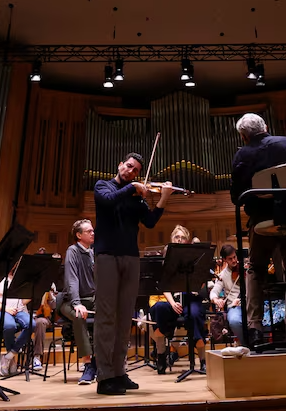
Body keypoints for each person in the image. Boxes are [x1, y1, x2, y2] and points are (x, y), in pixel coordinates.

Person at [230, 113, 286, 345]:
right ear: (266, 127)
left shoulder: (242, 154)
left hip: (262, 222)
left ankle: (255, 328)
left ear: (243, 136)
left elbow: (236, 197)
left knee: (255, 268)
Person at [93, 152, 173, 396]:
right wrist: (133, 188)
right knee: (106, 316)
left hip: (130, 257)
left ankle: (119, 371)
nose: (131, 171)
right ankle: (105, 376)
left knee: (124, 316)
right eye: (129, 166)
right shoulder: (103, 186)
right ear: (120, 165)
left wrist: (163, 199)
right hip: (107, 256)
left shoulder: (136, 198)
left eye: (136, 170)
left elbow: (149, 222)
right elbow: (108, 202)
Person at [148, 226, 207, 374]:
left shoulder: (194, 259)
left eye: (182, 238)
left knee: (195, 315)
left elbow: (201, 282)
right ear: (172, 239)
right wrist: (173, 303)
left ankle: (202, 360)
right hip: (174, 301)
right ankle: (161, 355)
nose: (179, 240)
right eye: (177, 237)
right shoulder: (168, 260)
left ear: (187, 241)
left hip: (190, 299)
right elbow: (164, 286)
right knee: (158, 308)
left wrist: (195, 285)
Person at [0, 261, 47, 378]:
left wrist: (35, 291)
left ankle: (9, 356)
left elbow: (22, 301)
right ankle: (11, 360)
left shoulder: (18, 278)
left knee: (31, 324)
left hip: (18, 311)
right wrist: (6, 309)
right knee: (10, 325)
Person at [61, 218, 96, 385]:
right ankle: (88, 364)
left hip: (91, 299)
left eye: (93, 230)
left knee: (110, 313)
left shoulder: (92, 253)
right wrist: (76, 303)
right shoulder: (72, 251)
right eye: (89, 231)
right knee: (79, 316)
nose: (93, 233)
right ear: (79, 235)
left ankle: (102, 361)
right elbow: (72, 280)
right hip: (70, 301)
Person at [211, 244, 243, 344]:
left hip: (250, 304)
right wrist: (216, 300)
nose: (234, 260)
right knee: (234, 321)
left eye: (235, 257)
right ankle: (245, 343)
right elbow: (214, 292)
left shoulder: (244, 269)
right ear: (224, 260)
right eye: (230, 259)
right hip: (234, 306)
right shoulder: (223, 275)